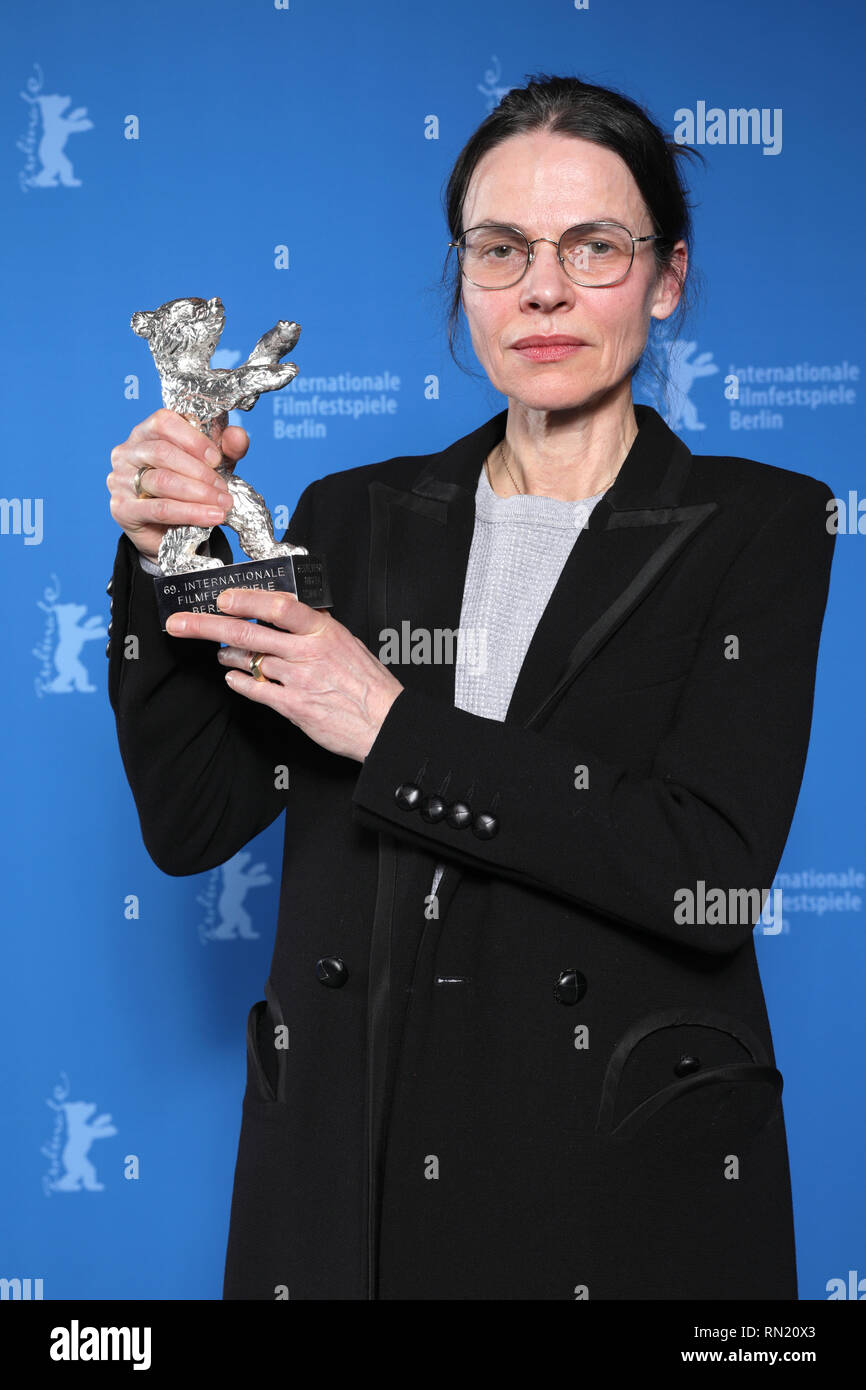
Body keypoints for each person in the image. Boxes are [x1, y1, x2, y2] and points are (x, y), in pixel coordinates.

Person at [105, 73, 836, 1300]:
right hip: (348, 1166)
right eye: (500, 250)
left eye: (590, 246)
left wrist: (388, 724)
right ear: (463, 277)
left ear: (663, 276)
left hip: (604, 1181)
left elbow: (700, 877)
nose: (540, 288)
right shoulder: (356, 512)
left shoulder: (758, 523)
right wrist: (152, 554)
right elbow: (191, 822)